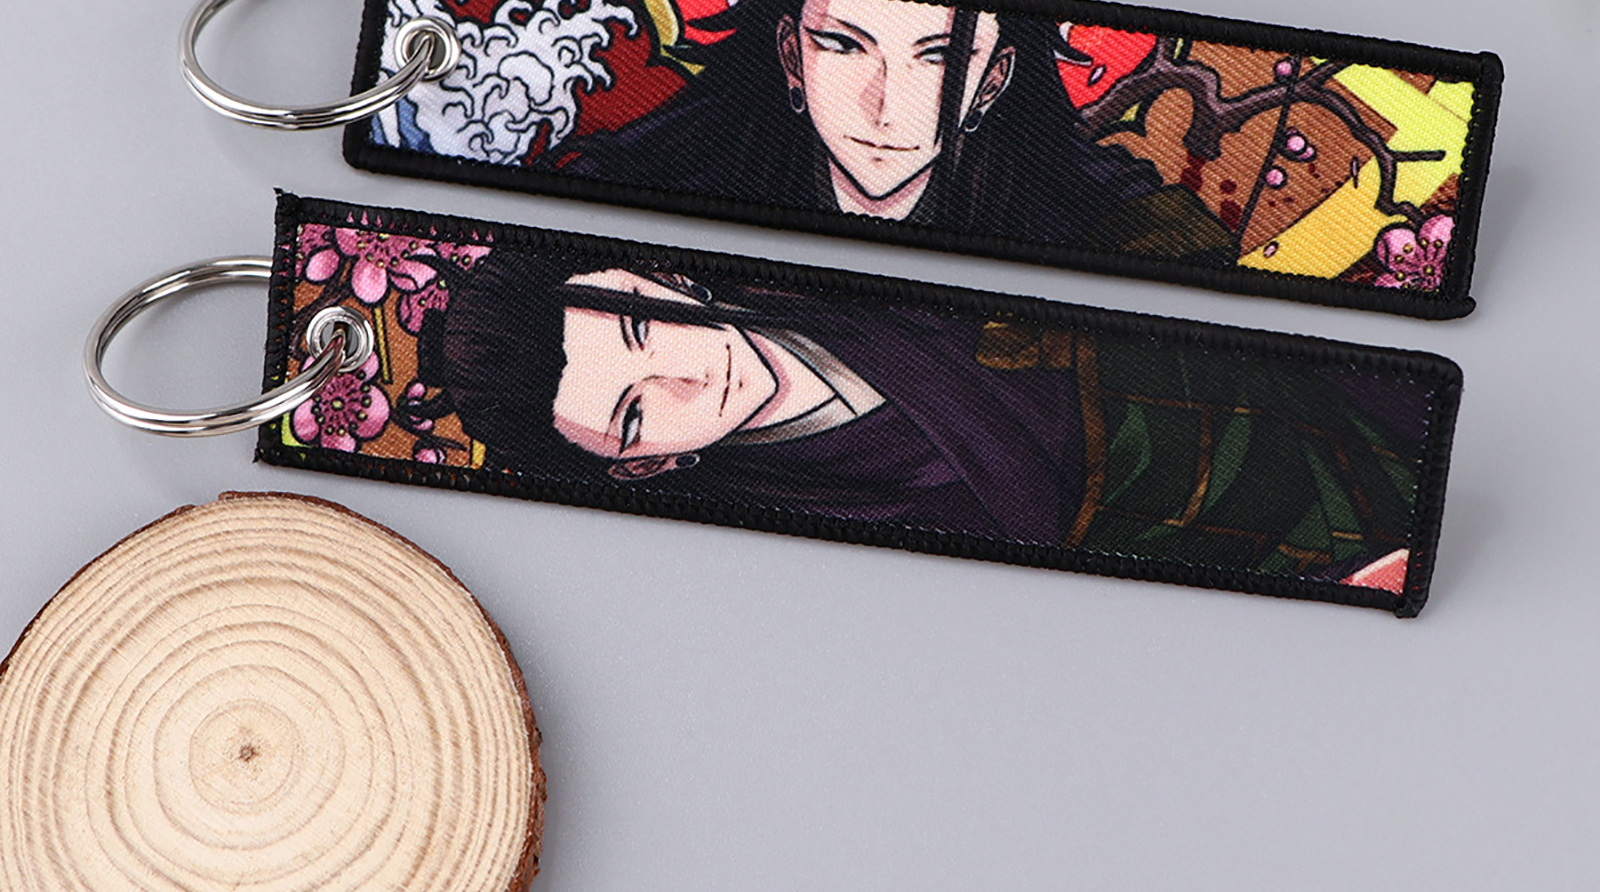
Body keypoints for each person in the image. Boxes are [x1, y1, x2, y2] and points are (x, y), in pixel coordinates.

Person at [422, 246, 1432, 584]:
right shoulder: (809, 519)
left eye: (649, 328)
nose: (689, 377)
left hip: (1356, 425)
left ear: (665, 278)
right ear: (638, 470)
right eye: (636, 415)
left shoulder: (870, 281)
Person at [565, 0, 1234, 260]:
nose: (885, 105)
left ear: (993, 80)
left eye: (939, 57)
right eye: (843, 45)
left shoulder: (1080, 203)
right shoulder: (683, 164)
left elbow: (1173, 236)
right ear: (791, 57)